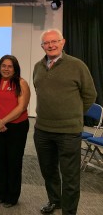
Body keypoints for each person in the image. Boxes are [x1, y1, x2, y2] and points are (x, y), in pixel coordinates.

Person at [33, 29, 97, 215]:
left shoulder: (77, 66)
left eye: (55, 41)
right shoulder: (38, 66)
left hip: (68, 131)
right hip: (42, 130)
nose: (51, 45)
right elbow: (39, 91)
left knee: (70, 176)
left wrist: (74, 115)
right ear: (42, 46)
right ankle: (55, 201)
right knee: (48, 170)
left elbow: (90, 95)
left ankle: (69, 212)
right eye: (47, 43)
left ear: (63, 42)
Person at [0, 55, 30, 208]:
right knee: (0, 160)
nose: (6, 69)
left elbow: (21, 107)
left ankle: (12, 196)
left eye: (10, 66)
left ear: (15, 68)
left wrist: (3, 121)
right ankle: (2, 192)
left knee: (14, 161)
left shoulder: (21, 83)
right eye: (3, 66)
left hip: (16, 127)